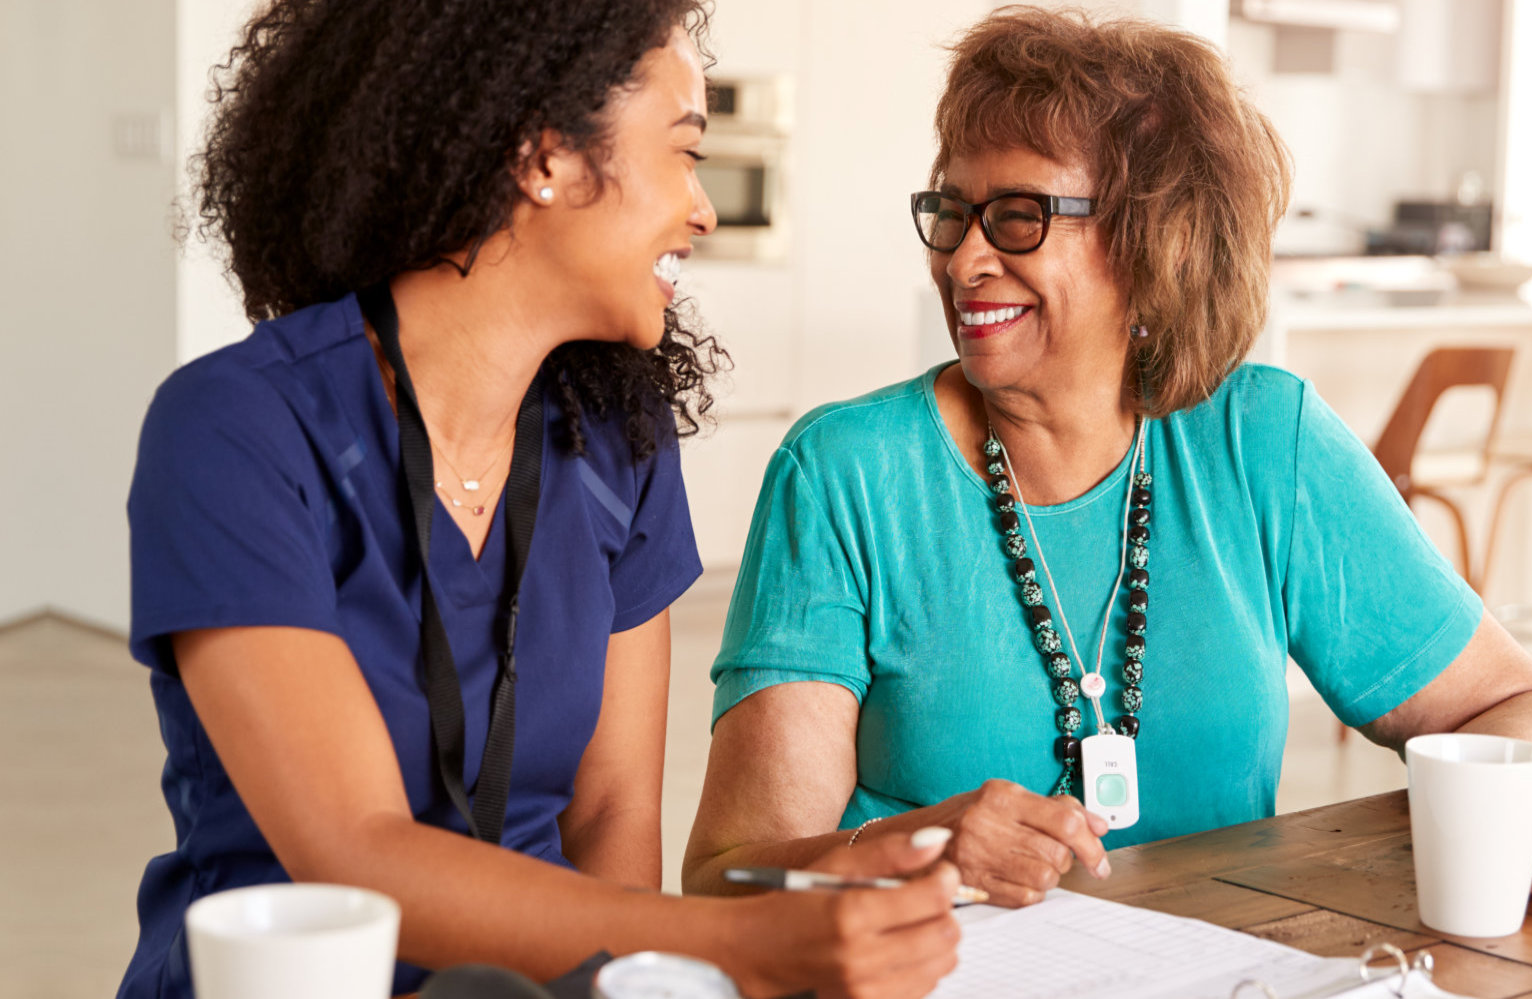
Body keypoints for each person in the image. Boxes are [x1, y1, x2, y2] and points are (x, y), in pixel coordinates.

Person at [122, 2, 959, 997]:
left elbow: (610, 813)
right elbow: (353, 851)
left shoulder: (621, 441)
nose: (704, 209)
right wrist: (741, 946)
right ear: (545, 157)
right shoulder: (235, 429)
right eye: (684, 151)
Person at [683, 6, 1532, 908]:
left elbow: (1520, 705)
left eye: (1017, 218)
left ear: (1154, 239)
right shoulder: (846, 474)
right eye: (954, 213)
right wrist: (915, 849)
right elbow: (733, 874)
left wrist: (1527, 804)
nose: (963, 262)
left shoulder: (1262, 443)